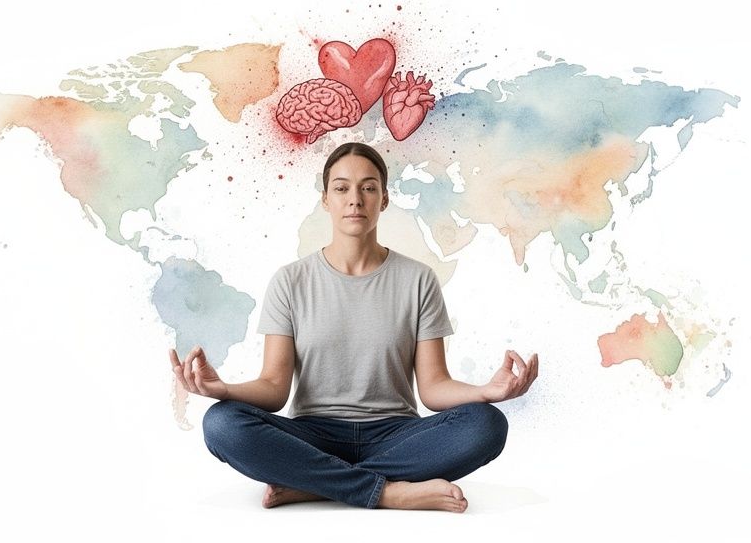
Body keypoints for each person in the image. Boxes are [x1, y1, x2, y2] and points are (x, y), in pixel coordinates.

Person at [169, 142, 539, 512]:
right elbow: (274, 388)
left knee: (487, 425)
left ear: (384, 199)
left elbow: (433, 388)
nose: (355, 199)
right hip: (312, 434)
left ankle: (315, 484)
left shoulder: (418, 280)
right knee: (221, 424)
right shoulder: (290, 281)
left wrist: (487, 391)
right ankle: (387, 492)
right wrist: (224, 389)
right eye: (342, 188)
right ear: (326, 200)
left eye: (368, 187)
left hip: (395, 435)